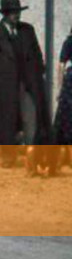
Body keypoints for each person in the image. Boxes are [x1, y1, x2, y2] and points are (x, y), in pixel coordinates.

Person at [0, 0, 50, 168]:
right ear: (4, 14)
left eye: (18, 11)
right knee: (7, 121)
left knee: (31, 119)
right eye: (12, 12)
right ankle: (8, 156)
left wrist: (38, 73)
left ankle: (33, 157)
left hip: (28, 84)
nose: (16, 15)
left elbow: (36, 53)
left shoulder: (28, 30)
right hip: (5, 86)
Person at [53, 31, 72, 166]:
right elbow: (61, 65)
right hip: (70, 85)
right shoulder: (69, 42)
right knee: (66, 121)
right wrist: (60, 88)